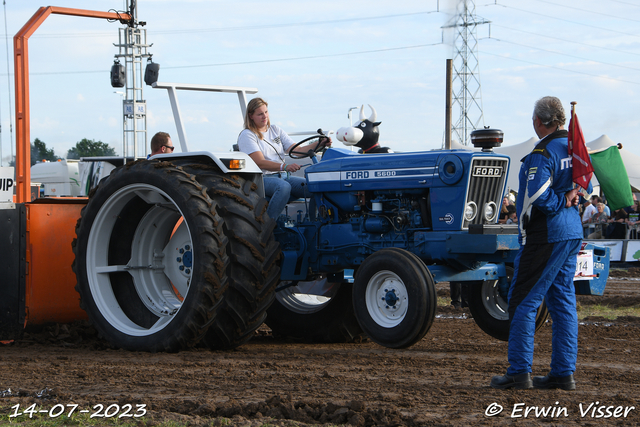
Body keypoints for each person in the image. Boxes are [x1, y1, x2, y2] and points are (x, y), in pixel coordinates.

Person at [490, 96, 584, 391]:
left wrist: (559, 201)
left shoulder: (541, 153)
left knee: (522, 302)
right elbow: (587, 183)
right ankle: (562, 374)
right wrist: (570, 196)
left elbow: (539, 195)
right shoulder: (573, 146)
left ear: (538, 122)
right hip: (572, 232)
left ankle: (519, 372)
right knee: (563, 302)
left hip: (546, 236)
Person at [237, 97, 330, 220]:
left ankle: (314, 224)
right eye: (260, 114)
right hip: (263, 179)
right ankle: (268, 226)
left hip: (284, 177)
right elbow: (260, 162)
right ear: (251, 116)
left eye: (266, 112)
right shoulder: (247, 135)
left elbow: (298, 151)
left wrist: (320, 144)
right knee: (283, 187)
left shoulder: (275, 130)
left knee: (315, 187)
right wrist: (284, 166)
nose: (264, 116)